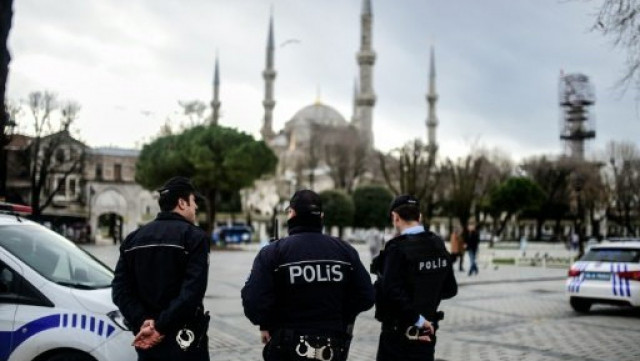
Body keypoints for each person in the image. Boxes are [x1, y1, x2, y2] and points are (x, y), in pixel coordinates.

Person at [241, 189, 375, 361]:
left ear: (291, 213)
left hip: (286, 347)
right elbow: (367, 296)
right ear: (321, 216)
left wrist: (269, 322)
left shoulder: (273, 253)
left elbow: (254, 303)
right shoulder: (345, 251)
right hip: (332, 347)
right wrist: (340, 315)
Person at [112, 176, 210, 361]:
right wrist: (160, 327)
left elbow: (119, 290)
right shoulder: (194, 237)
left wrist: (144, 322)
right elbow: (192, 292)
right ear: (182, 203)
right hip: (184, 341)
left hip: (147, 340)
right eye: (193, 201)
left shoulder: (132, 239)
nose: (196, 207)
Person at [372, 195, 457, 361]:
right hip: (428, 332)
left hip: (399, 336)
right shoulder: (437, 244)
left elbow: (391, 292)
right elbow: (450, 289)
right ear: (419, 217)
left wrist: (417, 319)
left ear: (395, 218)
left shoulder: (397, 248)